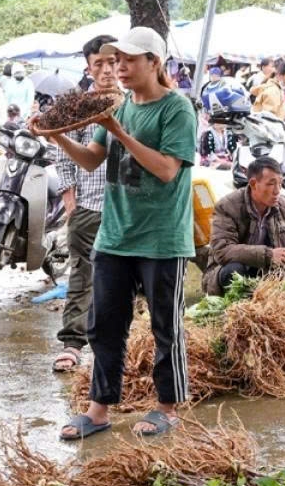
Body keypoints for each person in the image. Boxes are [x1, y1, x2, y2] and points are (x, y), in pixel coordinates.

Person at [51, 27, 196, 441]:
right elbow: (91, 160)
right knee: (104, 325)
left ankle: (168, 407)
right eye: (118, 60)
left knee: (165, 327)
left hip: (161, 238)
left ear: (155, 62)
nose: (120, 67)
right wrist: (56, 135)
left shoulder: (177, 109)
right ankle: (98, 410)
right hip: (114, 235)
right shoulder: (120, 106)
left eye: (130, 60)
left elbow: (167, 170)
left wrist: (118, 131)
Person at [50, 35, 118, 374]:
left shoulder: (135, 102)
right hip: (89, 205)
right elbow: (63, 155)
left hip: (128, 209)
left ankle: (125, 344)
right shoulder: (79, 106)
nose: (106, 70)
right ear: (89, 69)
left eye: (112, 62)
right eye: (98, 64)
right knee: (82, 275)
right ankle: (73, 343)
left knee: (130, 278)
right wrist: (70, 200)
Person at [202, 157, 285, 295]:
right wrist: (268, 255)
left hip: (273, 272)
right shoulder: (228, 206)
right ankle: (242, 305)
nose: (277, 191)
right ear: (253, 184)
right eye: (271, 184)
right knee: (233, 271)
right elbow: (222, 250)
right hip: (244, 268)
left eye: (280, 183)